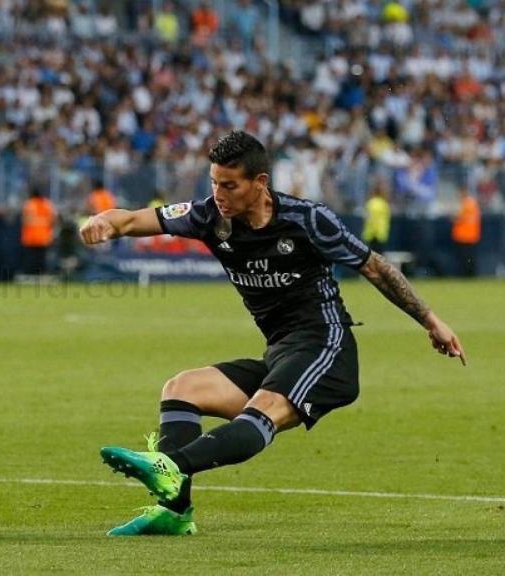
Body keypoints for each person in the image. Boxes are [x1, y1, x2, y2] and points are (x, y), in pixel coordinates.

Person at [79, 131, 466, 536]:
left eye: (229, 185)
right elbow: (138, 218)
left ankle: (171, 466)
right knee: (182, 388)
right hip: (281, 351)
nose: (218, 194)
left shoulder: (307, 219)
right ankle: (175, 512)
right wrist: (106, 221)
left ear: (260, 183)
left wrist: (430, 321)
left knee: (259, 413)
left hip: (325, 347)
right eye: (213, 182)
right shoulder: (210, 216)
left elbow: (374, 267)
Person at [20, 188, 55, 275]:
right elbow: (53, 219)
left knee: (31, 257)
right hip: (43, 236)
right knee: (42, 258)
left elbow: (25, 220)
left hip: (31, 237)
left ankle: (30, 274)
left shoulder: (29, 204)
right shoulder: (47, 204)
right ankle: (41, 274)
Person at [451, 188, 481, 277]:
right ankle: (468, 275)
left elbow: (461, 217)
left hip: (466, 236)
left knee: (466, 258)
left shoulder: (467, 203)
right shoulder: (469, 203)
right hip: (467, 236)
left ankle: (468, 275)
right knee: (467, 258)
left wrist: (455, 217)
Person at [361, 178, 391, 255]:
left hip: (371, 235)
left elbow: (367, 218)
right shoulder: (384, 204)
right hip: (378, 236)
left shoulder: (370, 203)